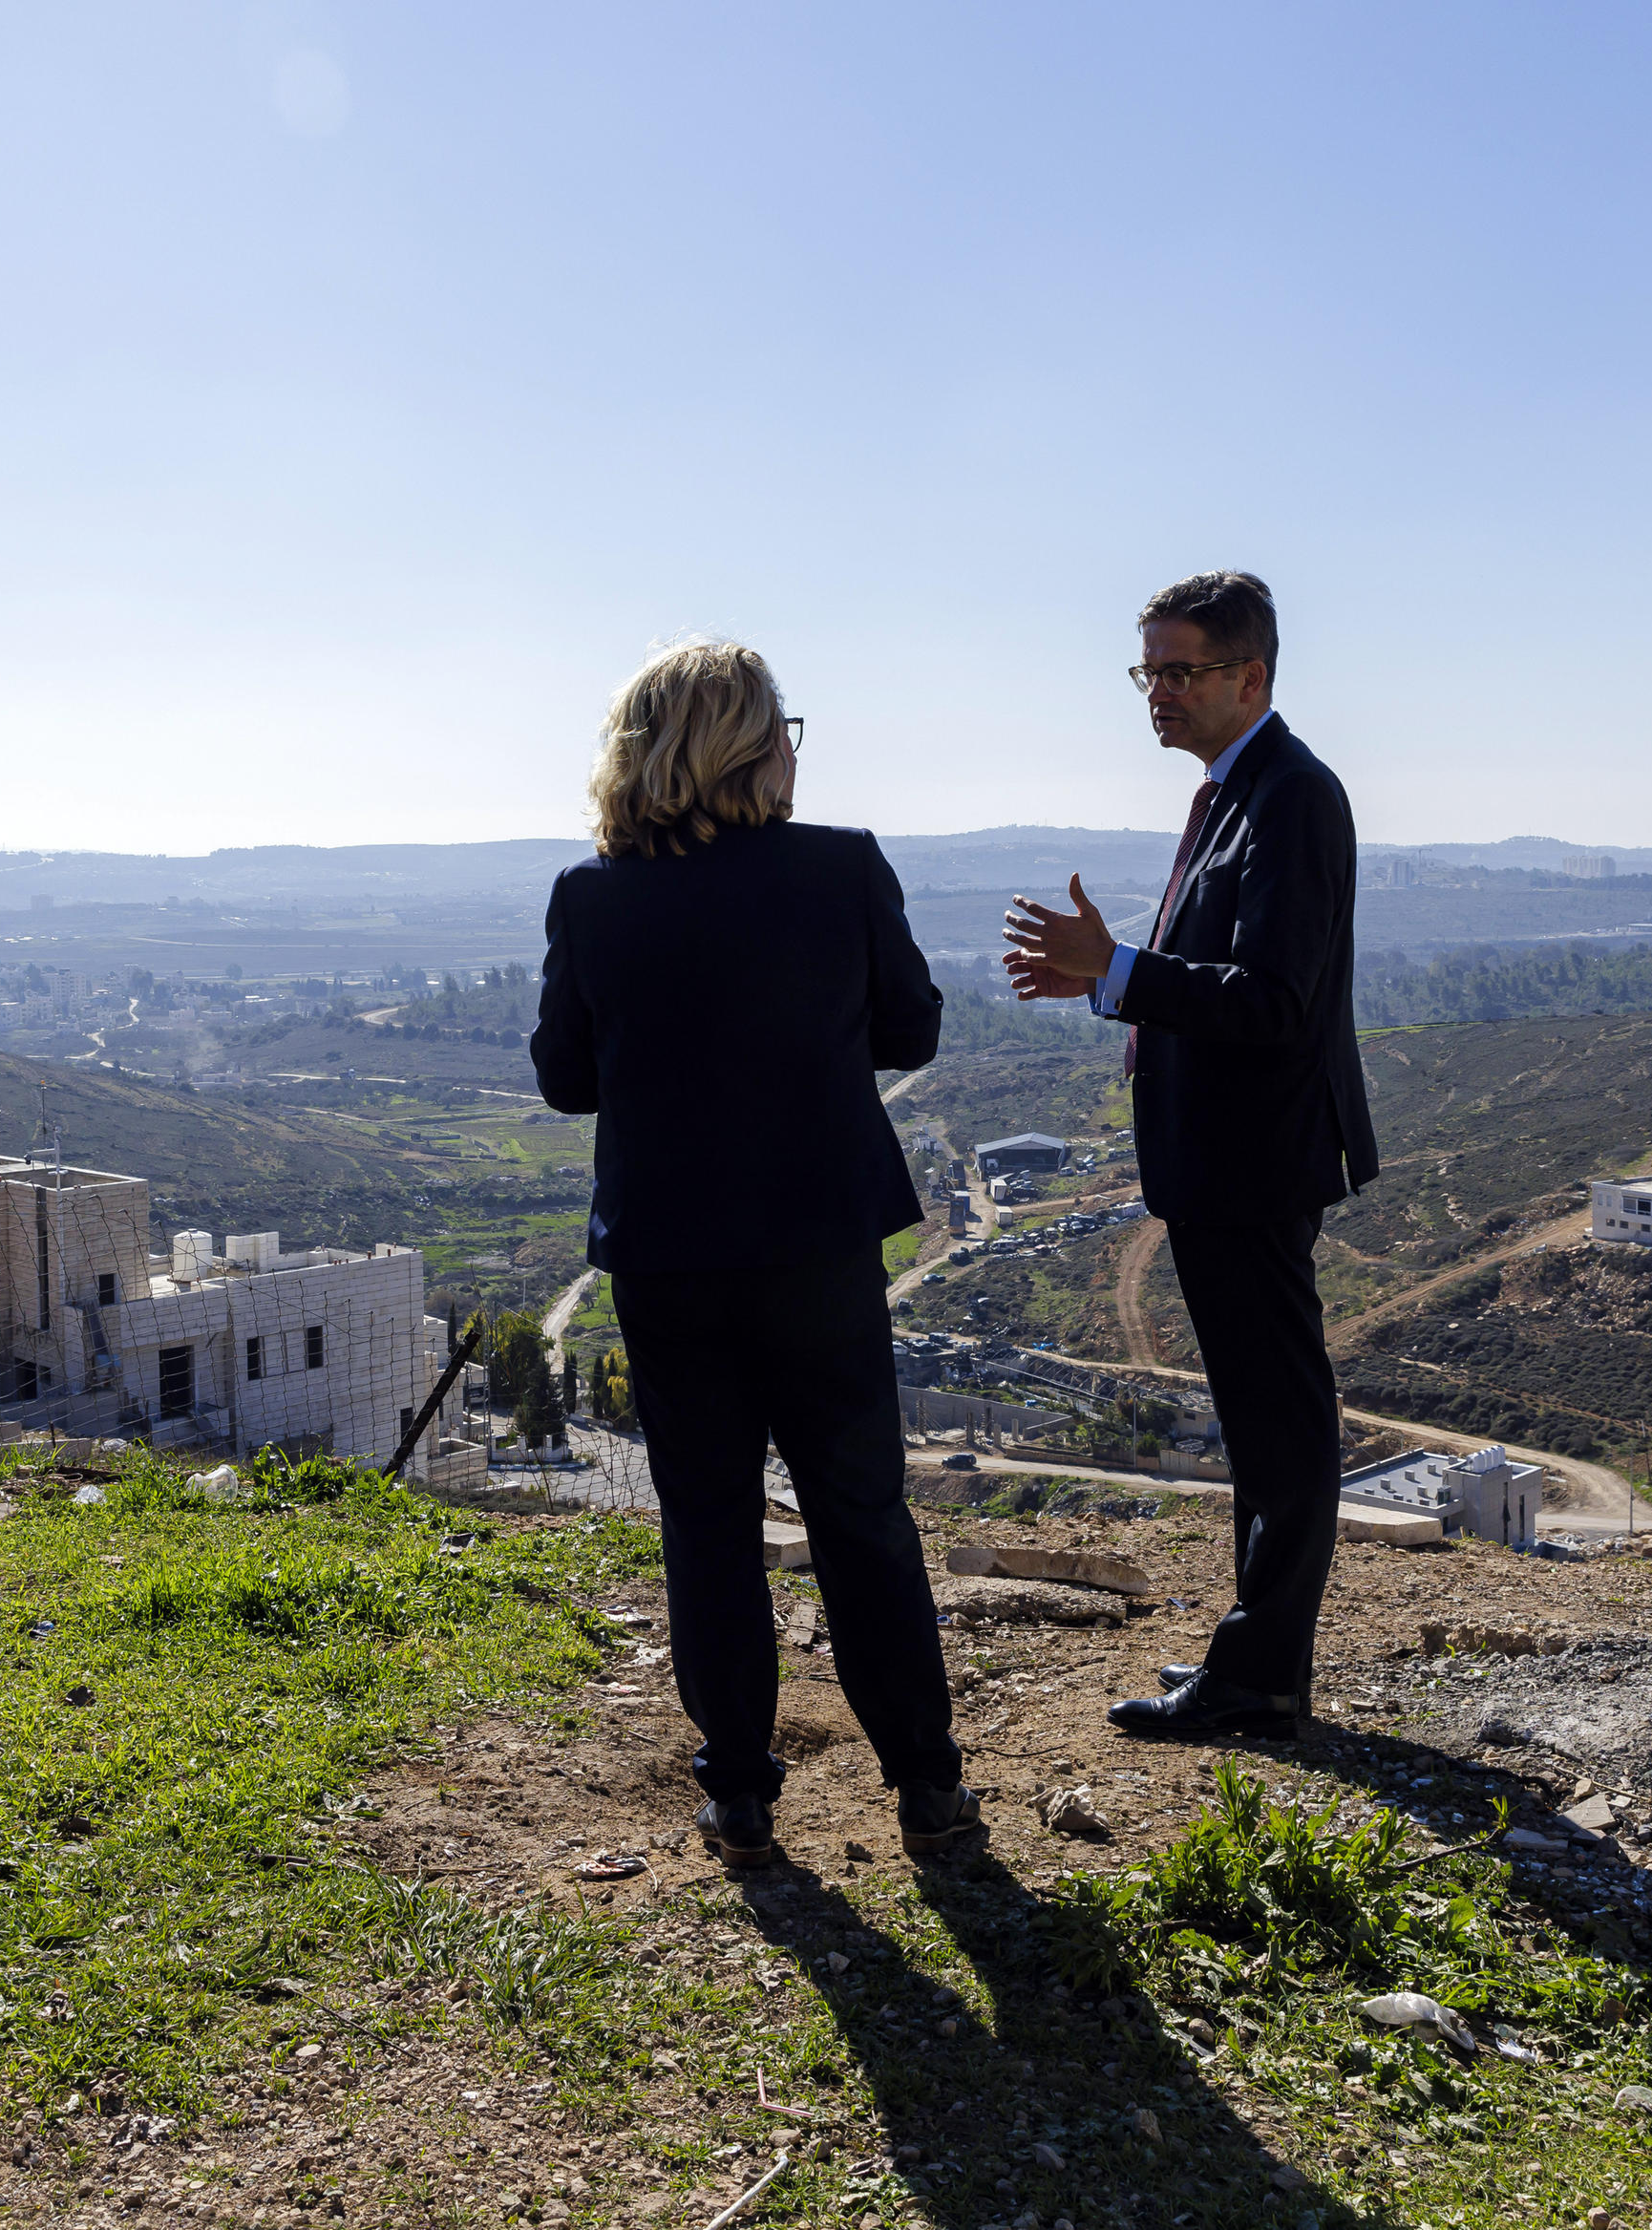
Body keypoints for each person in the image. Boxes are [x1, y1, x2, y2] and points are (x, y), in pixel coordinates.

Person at [531, 636, 979, 1863]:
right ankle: (928, 1788)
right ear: (755, 743)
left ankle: (737, 1790)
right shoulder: (840, 870)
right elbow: (913, 1024)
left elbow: (566, 1078)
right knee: (860, 1515)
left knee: (708, 1522)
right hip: (817, 1242)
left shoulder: (592, 895)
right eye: (788, 726)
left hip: (668, 1255)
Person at [999, 571, 1381, 1738]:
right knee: (1261, 1417)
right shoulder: (1233, 789)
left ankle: (1262, 1675)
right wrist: (1105, 977)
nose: (1155, 693)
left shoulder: (1292, 797)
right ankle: (1252, 1660)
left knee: (1277, 1420)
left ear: (1248, 676)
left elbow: (1271, 1000)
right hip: (1221, 1160)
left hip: (1255, 1161)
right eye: (1146, 671)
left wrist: (1117, 970)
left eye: (1179, 670)